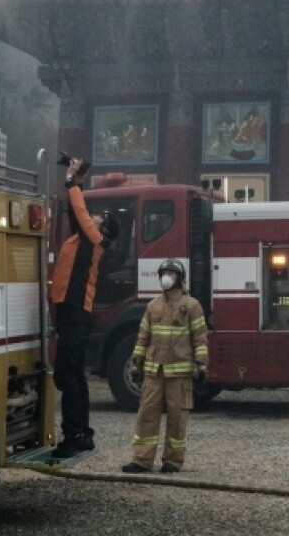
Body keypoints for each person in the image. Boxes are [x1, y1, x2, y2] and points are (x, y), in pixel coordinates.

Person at [49, 157, 119, 457]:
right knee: (71, 374)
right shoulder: (82, 238)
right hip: (71, 312)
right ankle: (80, 433)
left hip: (76, 312)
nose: (96, 218)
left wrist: (71, 181)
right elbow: (74, 212)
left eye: (100, 218)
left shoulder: (95, 239)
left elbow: (78, 210)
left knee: (70, 375)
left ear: (104, 230)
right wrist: (76, 181)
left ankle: (76, 434)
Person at [122, 259, 209, 474]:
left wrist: (202, 366)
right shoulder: (153, 306)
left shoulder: (191, 306)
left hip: (179, 375)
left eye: (171, 273)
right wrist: (136, 363)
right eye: (164, 273)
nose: (166, 277)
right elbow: (143, 337)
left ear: (180, 278)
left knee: (177, 417)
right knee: (147, 415)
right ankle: (141, 460)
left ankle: (172, 461)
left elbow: (200, 338)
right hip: (154, 372)